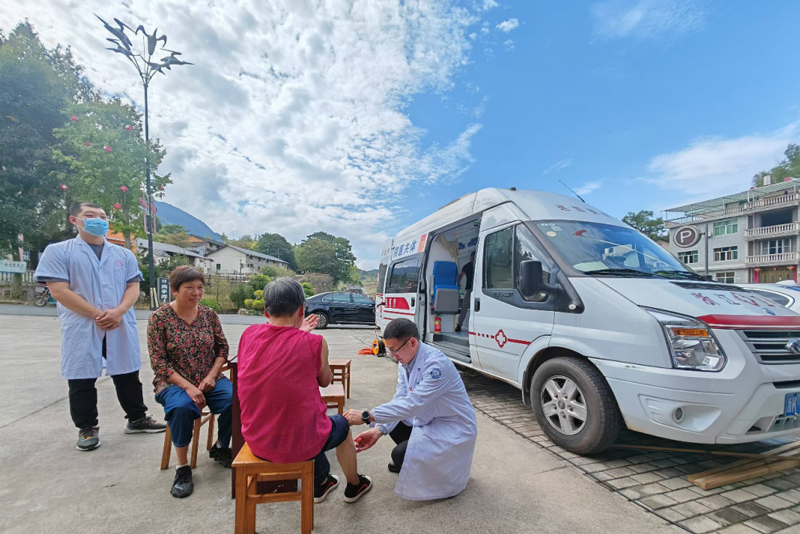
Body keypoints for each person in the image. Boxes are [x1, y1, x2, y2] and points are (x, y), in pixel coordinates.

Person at [34, 202, 165, 452]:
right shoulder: (59, 251)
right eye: (90, 216)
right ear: (75, 220)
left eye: (103, 216)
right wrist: (97, 314)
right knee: (81, 376)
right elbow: (59, 290)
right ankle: (87, 428)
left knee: (127, 373)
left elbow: (132, 287)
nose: (98, 220)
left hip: (118, 321)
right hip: (82, 323)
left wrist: (118, 312)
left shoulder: (123, 254)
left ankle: (137, 418)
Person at [237, 278, 372, 504]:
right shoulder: (314, 342)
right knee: (339, 425)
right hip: (299, 442)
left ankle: (321, 483)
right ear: (302, 308)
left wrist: (297, 333)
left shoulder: (248, 335)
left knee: (306, 421)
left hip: (257, 439)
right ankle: (355, 486)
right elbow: (326, 381)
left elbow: (277, 346)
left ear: (265, 311)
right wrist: (303, 335)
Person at [344, 318, 477, 501]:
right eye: (389, 349)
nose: (392, 355)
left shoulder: (436, 365)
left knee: (398, 454)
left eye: (394, 349)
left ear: (412, 342)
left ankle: (441, 474)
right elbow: (400, 399)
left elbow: (412, 404)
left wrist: (367, 416)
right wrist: (377, 430)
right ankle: (417, 459)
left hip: (452, 427)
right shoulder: (404, 362)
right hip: (429, 419)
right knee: (393, 422)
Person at [147, 266, 233, 498]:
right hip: (174, 382)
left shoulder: (208, 315)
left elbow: (222, 348)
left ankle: (222, 446)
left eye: (200, 288)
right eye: (189, 288)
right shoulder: (159, 319)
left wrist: (212, 375)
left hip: (209, 378)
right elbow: (158, 362)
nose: (196, 292)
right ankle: (182, 467)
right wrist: (188, 386)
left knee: (238, 399)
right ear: (175, 290)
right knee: (182, 407)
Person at [455, 251, 475, 332]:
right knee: (464, 307)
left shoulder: (480, 265)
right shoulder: (467, 266)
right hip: (469, 289)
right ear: (470, 258)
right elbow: (461, 276)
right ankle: (459, 324)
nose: (473, 260)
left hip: (478, 289)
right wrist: (456, 286)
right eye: (472, 258)